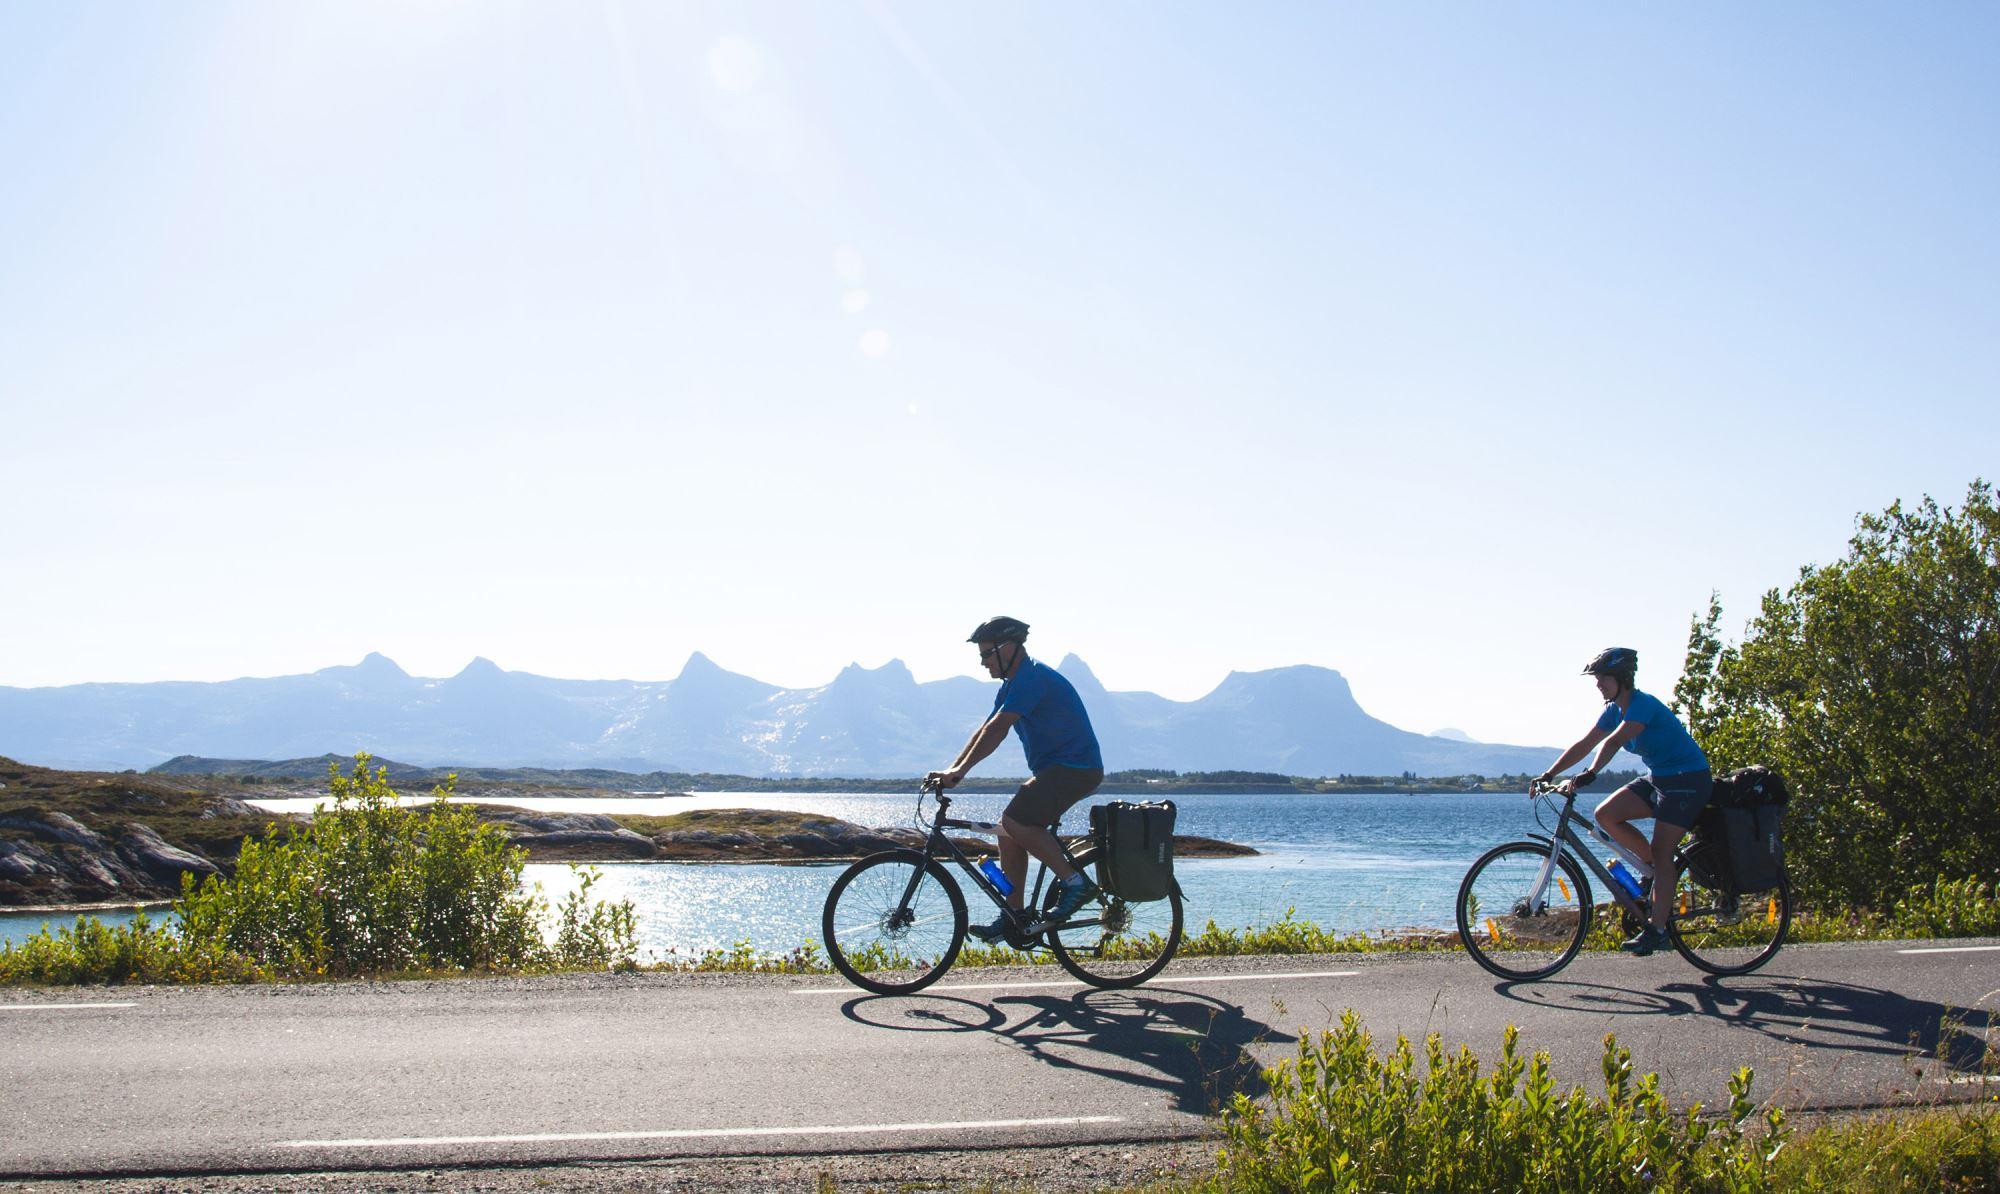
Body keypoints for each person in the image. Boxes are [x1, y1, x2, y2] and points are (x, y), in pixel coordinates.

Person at [926, 616, 1105, 945]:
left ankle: (1075, 883)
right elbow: (985, 728)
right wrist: (952, 768)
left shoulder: (1031, 677)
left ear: (1008, 648)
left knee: (1015, 820)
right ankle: (1015, 915)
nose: (982, 663)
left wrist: (959, 774)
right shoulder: (1013, 684)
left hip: (1075, 768)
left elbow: (998, 730)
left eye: (986, 655)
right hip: (1056, 769)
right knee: (1008, 833)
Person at [1536, 647, 1713, 956]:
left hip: (1687, 780)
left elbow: (1614, 741)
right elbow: (1586, 742)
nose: (1598, 685)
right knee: (1606, 814)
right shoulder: (1613, 709)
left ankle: (1658, 930)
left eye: (1603, 678)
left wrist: (1590, 773)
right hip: (1660, 776)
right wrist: (1548, 774)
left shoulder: (1641, 705)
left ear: (1620, 678)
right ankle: (1654, 873)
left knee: (1662, 851)